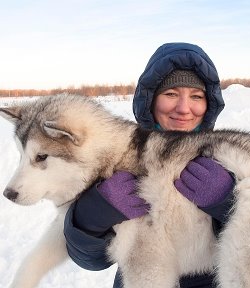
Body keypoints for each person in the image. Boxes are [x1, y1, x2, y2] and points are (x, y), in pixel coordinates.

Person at [64, 42, 235, 288]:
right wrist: (92, 214)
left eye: (196, 96)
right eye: (171, 94)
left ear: (209, 105)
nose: (184, 108)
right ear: (150, 101)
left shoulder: (231, 159)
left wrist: (229, 203)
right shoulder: (120, 158)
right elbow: (90, 260)